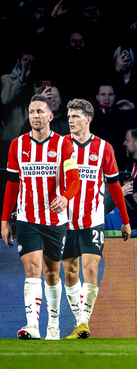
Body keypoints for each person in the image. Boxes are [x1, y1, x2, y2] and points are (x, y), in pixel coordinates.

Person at [1, 95, 81, 340]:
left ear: (50, 116)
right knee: (32, 268)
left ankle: (54, 325)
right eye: (31, 112)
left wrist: (66, 197)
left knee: (52, 274)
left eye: (39, 112)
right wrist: (5, 220)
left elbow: (74, 179)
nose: (35, 116)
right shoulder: (17, 145)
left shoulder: (63, 144)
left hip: (55, 221)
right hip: (27, 219)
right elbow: (12, 184)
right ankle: (32, 325)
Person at [61, 99, 131, 339]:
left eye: (76, 116)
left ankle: (83, 323)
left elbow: (114, 186)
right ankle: (79, 319)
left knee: (90, 268)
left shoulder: (104, 148)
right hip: (64, 221)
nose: (70, 120)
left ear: (88, 119)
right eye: (69, 116)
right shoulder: (60, 145)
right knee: (70, 272)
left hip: (92, 219)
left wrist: (125, 219)